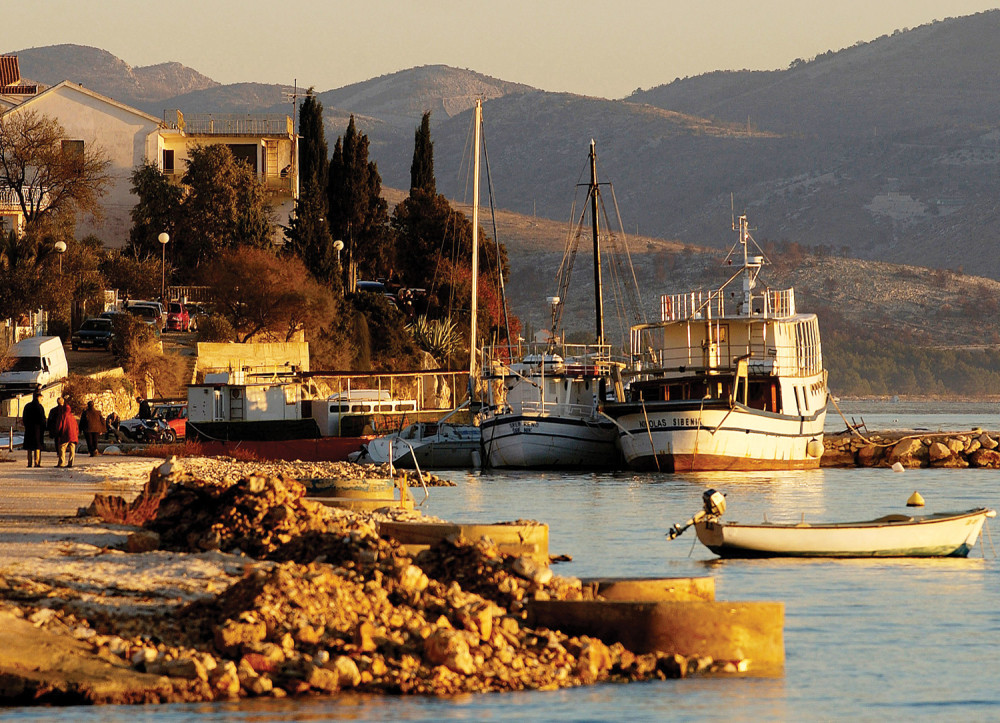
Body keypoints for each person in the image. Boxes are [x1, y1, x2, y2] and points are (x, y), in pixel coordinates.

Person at [48, 397, 79, 468]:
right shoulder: (72, 416)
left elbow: (59, 426)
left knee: (62, 448)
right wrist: (77, 433)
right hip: (73, 435)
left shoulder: (62, 415)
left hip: (65, 435)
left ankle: (61, 463)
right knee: (72, 449)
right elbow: (76, 426)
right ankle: (71, 463)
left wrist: (57, 432)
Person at [21, 390, 47, 468]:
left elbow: (24, 418)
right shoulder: (39, 407)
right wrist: (44, 427)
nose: (42, 400)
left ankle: (29, 463)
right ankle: (37, 462)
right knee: (37, 446)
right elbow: (42, 419)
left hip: (29, 429)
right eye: (41, 398)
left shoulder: (27, 406)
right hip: (38, 430)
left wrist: (27, 426)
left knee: (29, 447)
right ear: (38, 397)